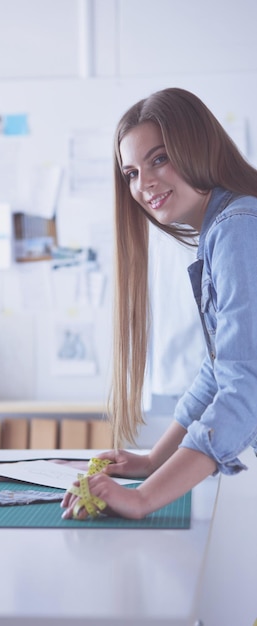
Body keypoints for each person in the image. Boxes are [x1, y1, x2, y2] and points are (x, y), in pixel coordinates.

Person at [61, 87, 257, 520]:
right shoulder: (226, 228)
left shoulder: (237, 227)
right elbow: (219, 368)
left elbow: (245, 384)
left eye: (159, 159)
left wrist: (144, 496)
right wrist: (152, 461)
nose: (143, 183)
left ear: (197, 147)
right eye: (130, 172)